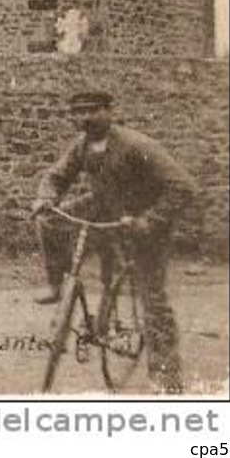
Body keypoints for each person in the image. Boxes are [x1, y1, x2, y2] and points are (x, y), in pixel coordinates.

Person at [31, 91, 197, 394]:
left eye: (92, 111)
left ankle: (166, 380)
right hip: (105, 209)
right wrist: (46, 197)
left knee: (153, 302)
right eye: (77, 112)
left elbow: (183, 186)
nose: (84, 118)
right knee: (49, 219)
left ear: (109, 111)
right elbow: (57, 176)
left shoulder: (136, 145)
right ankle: (58, 284)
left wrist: (151, 219)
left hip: (144, 220)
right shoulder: (81, 145)